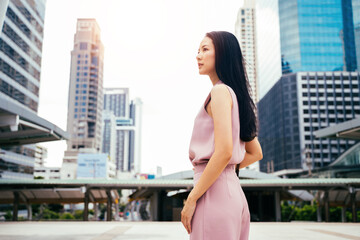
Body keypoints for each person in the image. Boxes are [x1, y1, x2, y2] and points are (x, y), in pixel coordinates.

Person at [181, 31, 263, 240]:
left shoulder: (219, 93)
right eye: (198, 51)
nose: (198, 55)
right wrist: (225, 171)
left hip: (213, 196)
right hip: (232, 194)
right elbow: (255, 153)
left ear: (223, 54)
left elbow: (225, 151)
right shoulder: (236, 96)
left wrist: (191, 199)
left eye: (205, 49)